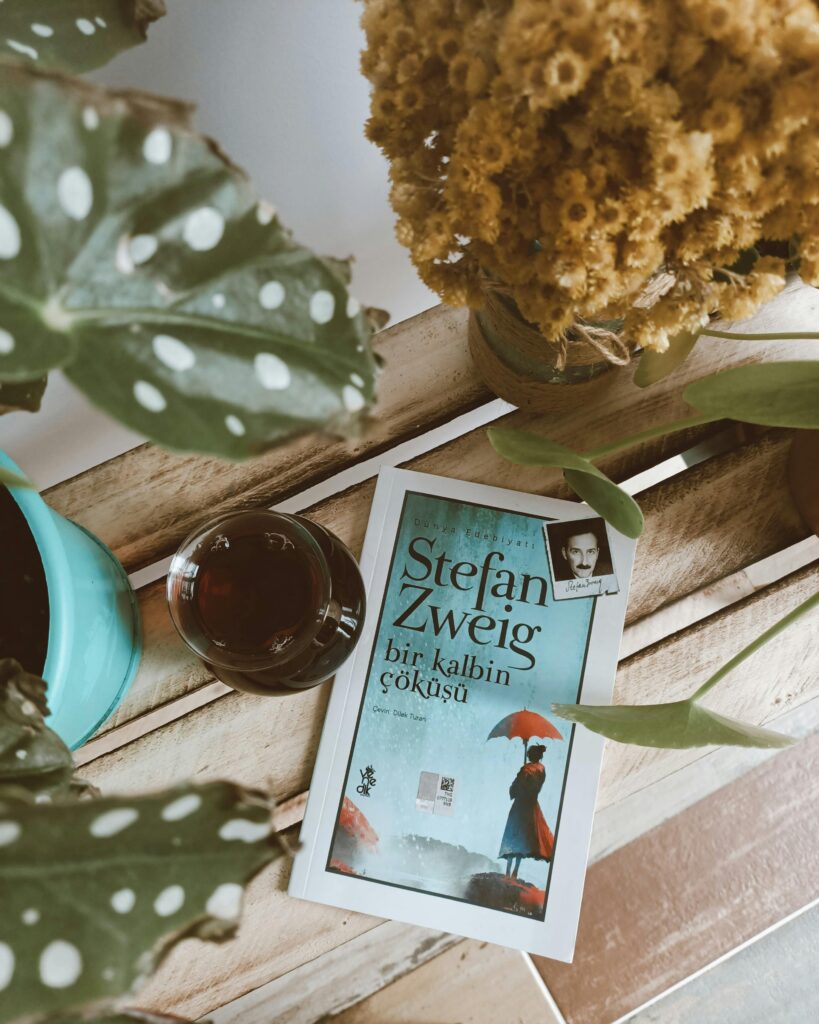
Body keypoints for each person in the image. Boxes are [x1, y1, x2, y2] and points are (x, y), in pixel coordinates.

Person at [498, 744, 555, 878]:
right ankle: (515, 872)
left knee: (513, 836)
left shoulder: (527, 769)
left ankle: (508, 872)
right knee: (524, 838)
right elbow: (535, 787)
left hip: (520, 806)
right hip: (532, 806)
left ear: (530, 756)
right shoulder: (542, 769)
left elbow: (516, 787)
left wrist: (521, 776)